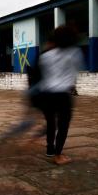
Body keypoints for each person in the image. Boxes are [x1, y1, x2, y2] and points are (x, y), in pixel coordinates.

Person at [37, 25, 83, 165]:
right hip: (62, 95)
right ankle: (58, 155)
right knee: (63, 125)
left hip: (46, 94)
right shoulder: (74, 53)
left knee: (51, 123)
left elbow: (41, 75)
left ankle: (50, 149)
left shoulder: (45, 55)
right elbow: (75, 73)